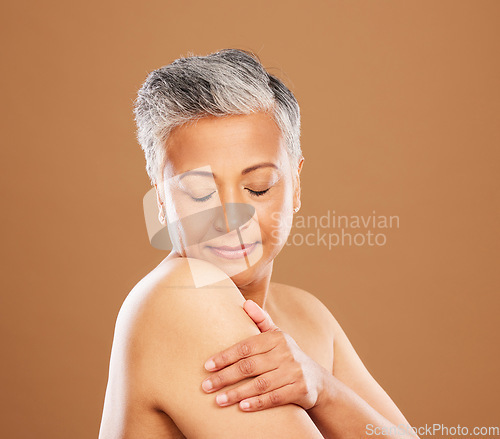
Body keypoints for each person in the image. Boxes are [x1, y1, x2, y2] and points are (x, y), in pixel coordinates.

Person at [98, 48, 419, 438]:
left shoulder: (307, 316)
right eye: (200, 193)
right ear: (161, 201)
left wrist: (324, 389)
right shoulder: (182, 298)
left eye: (257, 187)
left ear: (296, 185)